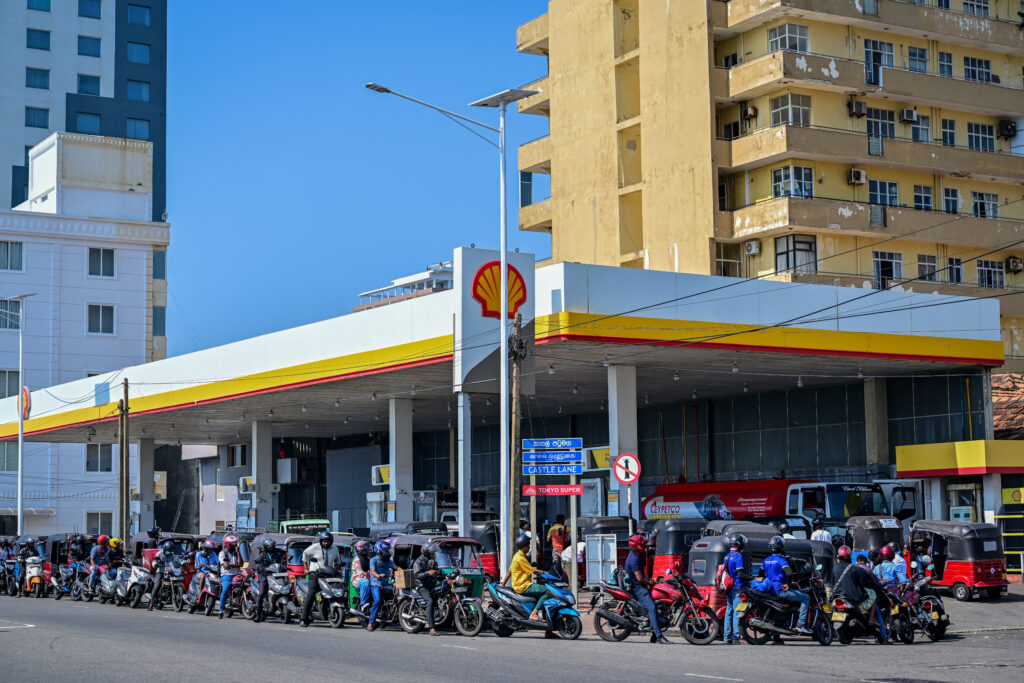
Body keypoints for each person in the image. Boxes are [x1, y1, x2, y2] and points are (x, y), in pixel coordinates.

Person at [831, 545, 890, 644]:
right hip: (853, 600)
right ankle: (873, 621)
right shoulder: (855, 569)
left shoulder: (834, 569)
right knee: (873, 595)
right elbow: (864, 584)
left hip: (837, 597)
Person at [501, 534, 553, 635]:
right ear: (524, 546)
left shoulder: (517, 556)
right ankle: (534, 614)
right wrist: (547, 573)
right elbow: (533, 571)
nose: (529, 547)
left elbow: (510, 571)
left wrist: (502, 584)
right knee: (547, 591)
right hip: (523, 586)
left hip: (521, 584)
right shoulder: (520, 558)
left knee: (543, 597)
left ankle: (548, 631)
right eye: (528, 545)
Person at [624, 534, 671, 644]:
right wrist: (650, 581)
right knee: (652, 607)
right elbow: (640, 578)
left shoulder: (635, 556)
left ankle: (654, 636)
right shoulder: (634, 559)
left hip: (640, 586)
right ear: (638, 546)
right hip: (638, 588)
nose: (646, 547)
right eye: (644, 545)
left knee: (659, 605)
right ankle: (659, 636)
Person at [761, 536, 812, 636]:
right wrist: (787, 584)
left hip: (769, 590)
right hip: (780, 590)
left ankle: (776, 637)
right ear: (781, 547)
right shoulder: (781, 559)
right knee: (806, 597)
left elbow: (760, 573)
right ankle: (801, 624)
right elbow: (789, 573)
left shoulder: (766, 560)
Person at [299, 531, 343, 628]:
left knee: (335, 591)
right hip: (315, 574)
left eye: (327, 541)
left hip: (329, 574)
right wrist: (306, 568)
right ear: (321, 541)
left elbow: (338, 561)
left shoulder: (334, 549)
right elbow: (305, 554)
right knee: (311, 594)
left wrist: (339, 570)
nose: (326, 543)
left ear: (331, 541)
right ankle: (303, 618)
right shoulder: (314, 547)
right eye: (324, 541)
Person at [249, 537, 285, 623]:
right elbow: (258, 564)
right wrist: (262, 568)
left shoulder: (277, 554)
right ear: (265, 547)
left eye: (273, 546)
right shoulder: (262, 556)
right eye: (270, 546)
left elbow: (281, 563)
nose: (272, 548)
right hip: (264, 576)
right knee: (261, 594)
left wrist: (284, 567)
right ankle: (258, 614)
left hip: (275, 576)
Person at [722, 534, 748, 645]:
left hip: (728, 587)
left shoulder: (727, 556)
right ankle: (736, 637)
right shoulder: (738, 556)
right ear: (739, 544)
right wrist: (753, 578)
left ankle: (727, 637)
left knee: (729, 611)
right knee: (737, 612)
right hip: (738, 587)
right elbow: (740, 574)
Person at [413, 542, 442, 636]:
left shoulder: (433, 562)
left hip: (431, 585)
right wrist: (427, 573)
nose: (434, 555)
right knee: (430, 601)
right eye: (432, 553)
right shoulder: (418, 561)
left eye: (434, 553)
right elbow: (417, 575)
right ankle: (431, 628)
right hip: (421, 586)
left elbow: (437, 573)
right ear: (426, 552)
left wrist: (447, 576)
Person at [367, 541, 395, 631]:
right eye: (386, 549)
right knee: (377, 600)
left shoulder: (387, 561)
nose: (388, 551)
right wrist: (378, 576)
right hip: (375, 583)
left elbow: (396, 567)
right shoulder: (373, 559)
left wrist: (405, 571)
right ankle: (370, 623)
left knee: (395, 597)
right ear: (381, 549)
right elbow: (373, 571)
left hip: (386, 584)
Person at [148, 540, 177, 611]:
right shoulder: (159, 553)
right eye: (168, 551)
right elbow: (154, 562)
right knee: (157, 585)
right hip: (160, 572)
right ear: (164, 549)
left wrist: (183, 561)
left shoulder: (172, 554)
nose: (169, 553)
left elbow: (177, 560)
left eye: (170, 551)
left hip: (170, 572)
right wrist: (156, 564)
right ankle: (151, 604)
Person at [217, 534, 242, 618]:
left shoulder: (236, 552)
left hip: (237, 575)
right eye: (233, 543)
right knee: (226, 589)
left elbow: (241, 564)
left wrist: (238, 552)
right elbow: (226, 565)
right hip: (226, 575)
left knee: (246, 585)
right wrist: (236, 565)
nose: (235, 545)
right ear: (228, 544)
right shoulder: (222, 553)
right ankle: (221, 610)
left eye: (236, 543)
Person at [350, 540, 372, 613]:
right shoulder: (357, 559)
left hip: (368, 578)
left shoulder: (368, 559)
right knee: (365, 582)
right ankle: (363, 604)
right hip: (358, 580)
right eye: (366, 547)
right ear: (360, 548)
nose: (368, 548)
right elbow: (362, 574)